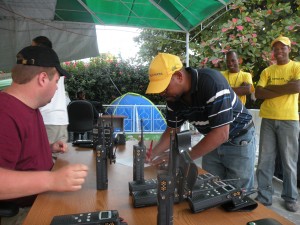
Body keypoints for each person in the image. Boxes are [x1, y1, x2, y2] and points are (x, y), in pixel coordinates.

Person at [0, 46, 88, 224]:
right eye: (56, 81)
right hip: (23, 213)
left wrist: (47, 148)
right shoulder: (5, 114)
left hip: (41, 199)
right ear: (42, 78)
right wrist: (52, 179)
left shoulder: (29, 107)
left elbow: (16, 155)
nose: (57, 88)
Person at [145, 53, 256, 191]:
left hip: (238, 138)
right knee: (211, 188)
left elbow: (221, 133)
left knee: (237, 194)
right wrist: (151, 154)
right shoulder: (173, 98)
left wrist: (182, 158)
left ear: (179, 76)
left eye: (164, 87)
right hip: (211, 139)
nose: (162, 93)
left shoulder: (212, 82)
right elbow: (172, 131)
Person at [255, 35, 300, 212]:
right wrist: (285, 88)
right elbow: (258, 93)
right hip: (268, 118)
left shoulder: (296, 66)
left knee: (289, 162)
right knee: (265, 160)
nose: (279, 51)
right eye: (276, 48)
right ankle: (264, 196)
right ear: (273, 51)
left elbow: (296, 88)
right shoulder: (267, 71)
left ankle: (290, 197)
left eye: (283, 47)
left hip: (289, 119)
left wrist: (270, 90)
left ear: (289, 49)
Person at [32, 36, 69, 145]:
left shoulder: (41, 67)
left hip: (47, 119)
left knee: (44, 159)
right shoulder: (56, 66)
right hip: (61, 118)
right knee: (58, 159)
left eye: (32, 47)